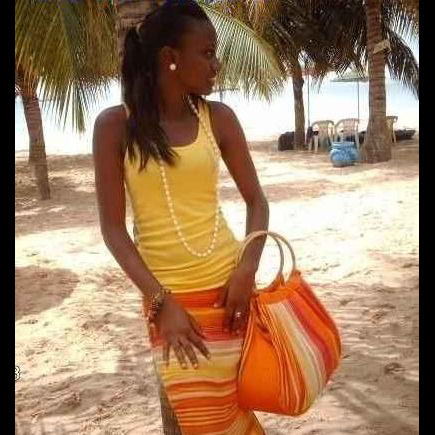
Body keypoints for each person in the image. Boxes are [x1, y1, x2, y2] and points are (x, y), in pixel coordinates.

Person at [92, 1, 269, 433]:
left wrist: (246, 270)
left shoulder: (219, 118)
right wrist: (161, 303)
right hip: (170, 303)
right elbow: (113, 230)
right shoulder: (115, 126)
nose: (216, 65)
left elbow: (257, 201)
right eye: (206, 54)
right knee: (202, 420)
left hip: (230, 292)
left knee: (238, 412)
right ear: (170, 57)